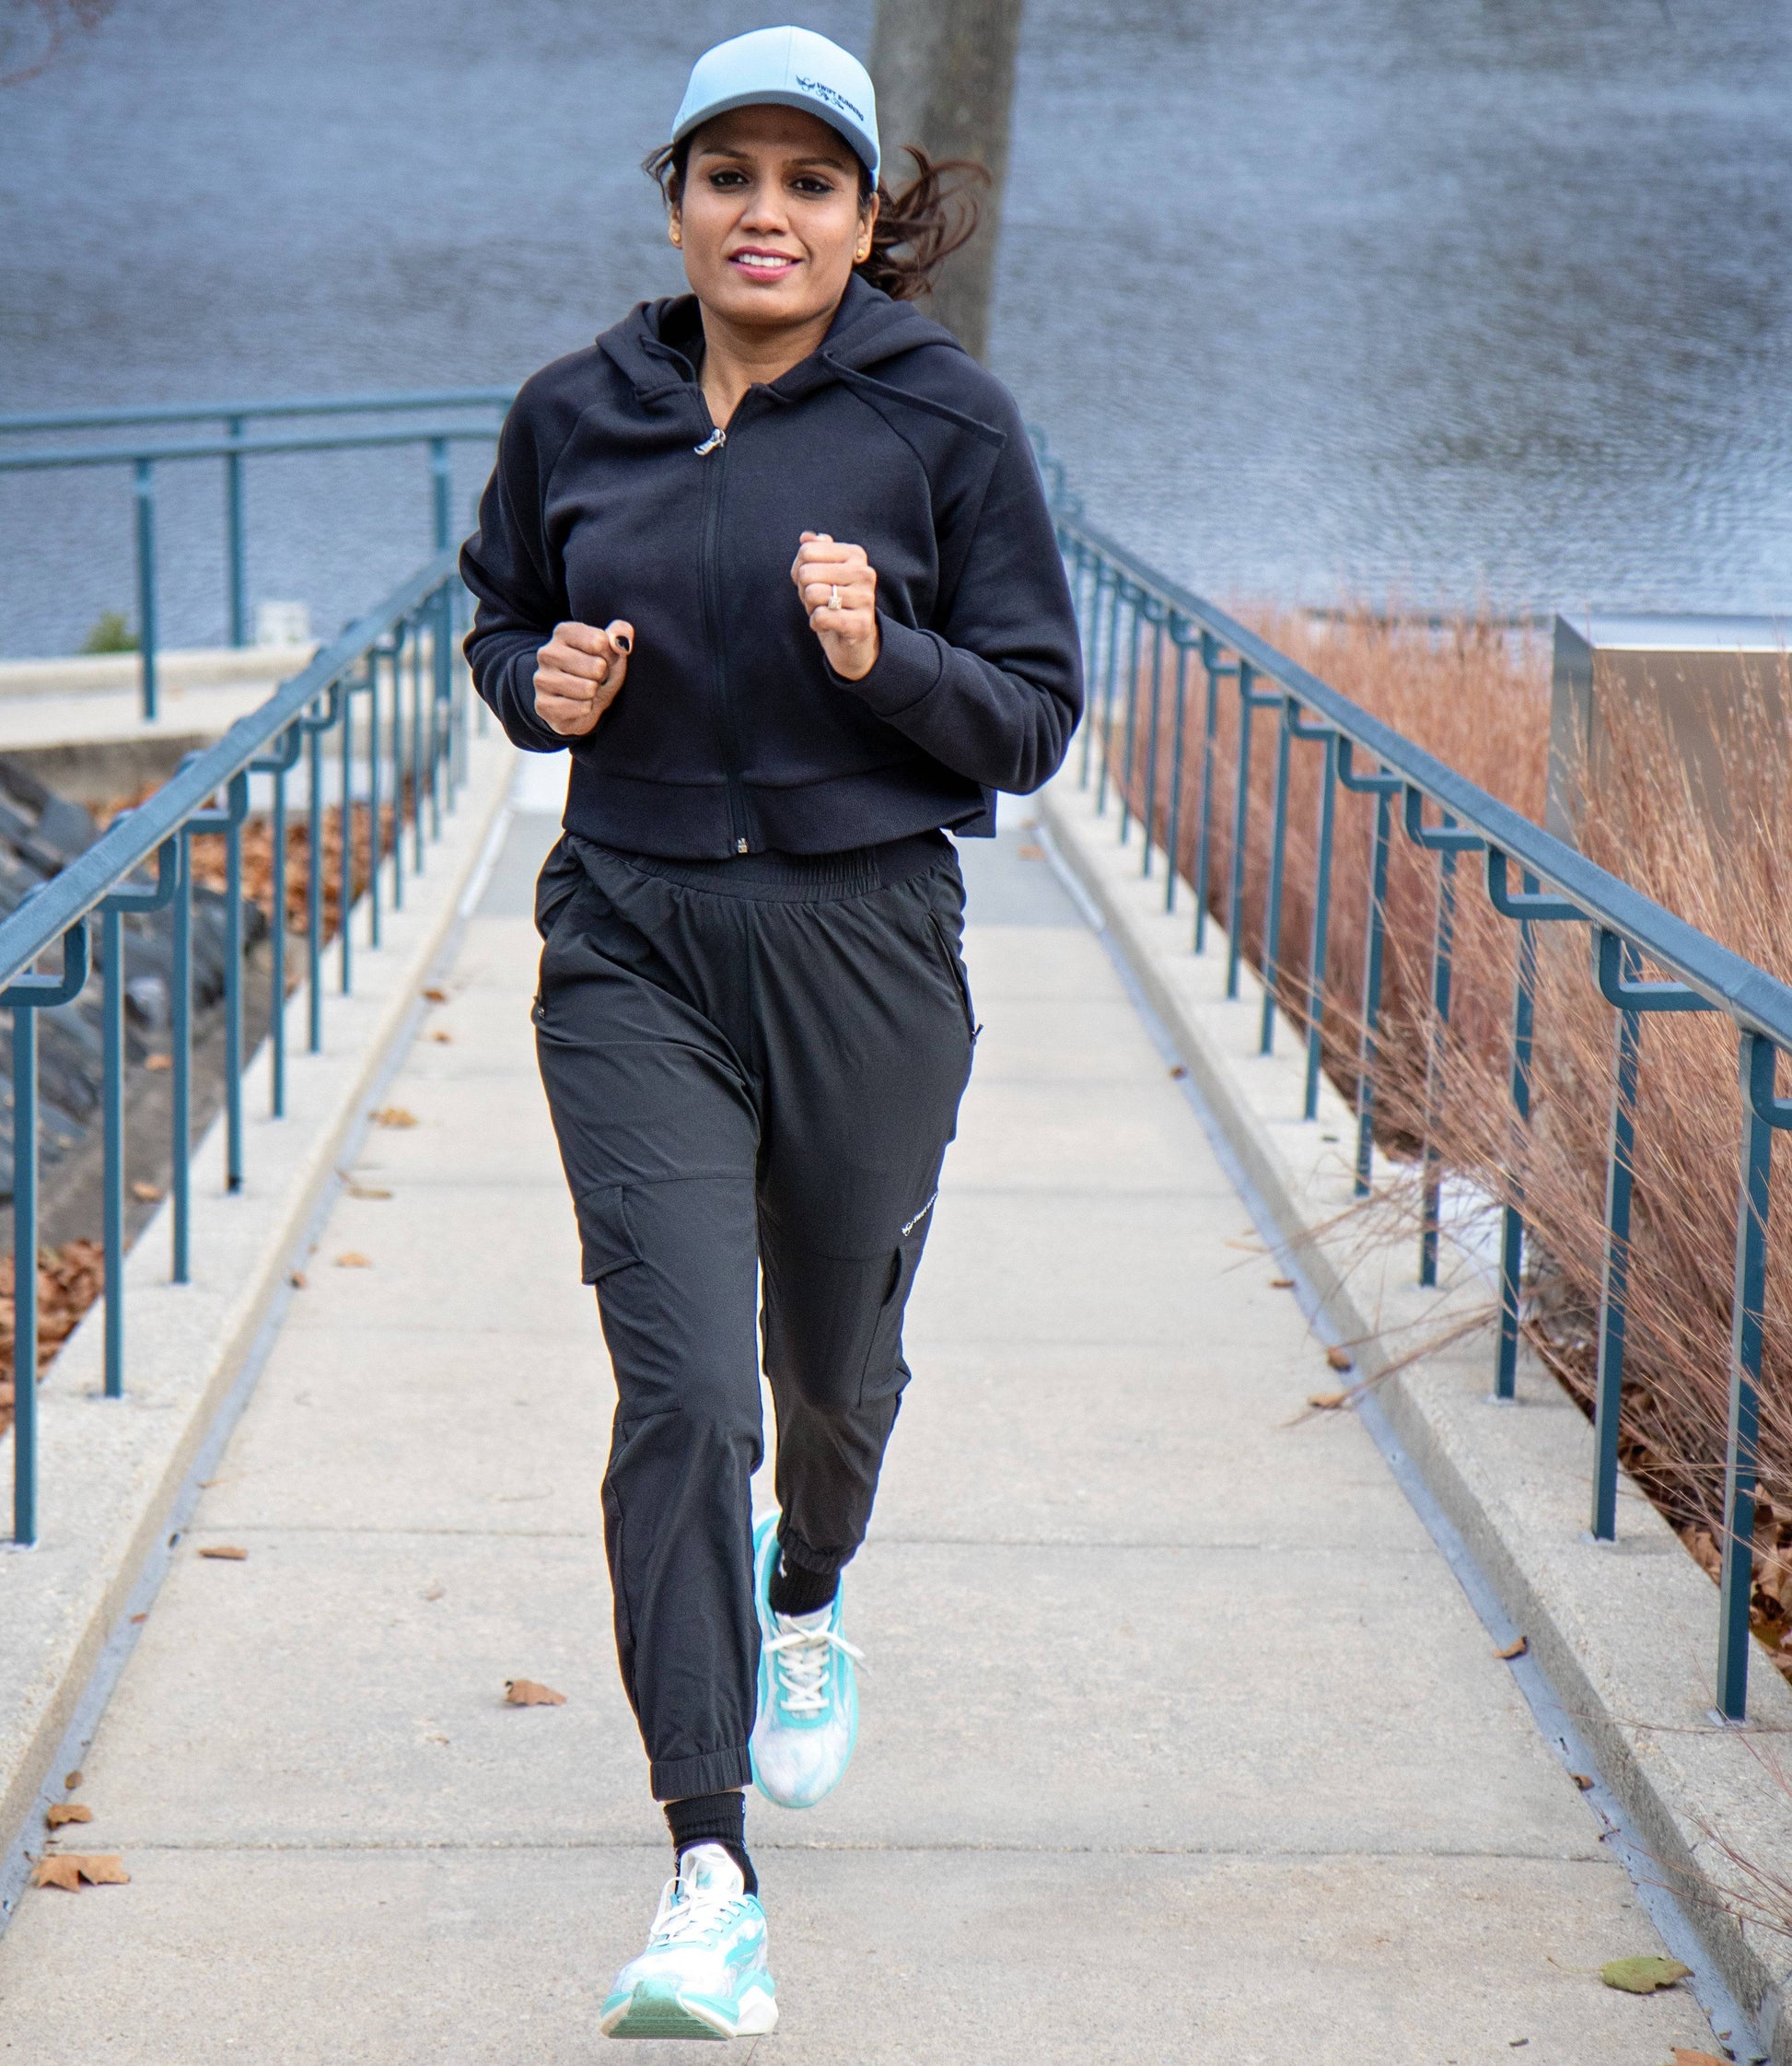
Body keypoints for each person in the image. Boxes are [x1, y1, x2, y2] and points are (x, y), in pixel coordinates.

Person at [460, 22, 1081, 2041]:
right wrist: (534, 686)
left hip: (863, 945)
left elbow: (1030, 718)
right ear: (676, 204)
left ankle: (805, 1589)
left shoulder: (944, 422)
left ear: (862, 217)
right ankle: (706, 1872)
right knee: (685, 1399)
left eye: (809, 182)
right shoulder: (574, 410)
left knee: (832, 1379)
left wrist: (882, 657)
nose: (765, 213)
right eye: (727, 175)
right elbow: (494, 616)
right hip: (629, 942)